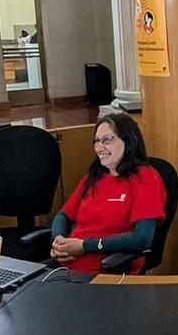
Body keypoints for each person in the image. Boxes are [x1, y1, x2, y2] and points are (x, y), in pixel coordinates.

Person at [50, 112, 167, 274]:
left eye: (107, 140)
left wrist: (85, 246)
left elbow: (142, 239)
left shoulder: (145, 178)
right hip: (65, 268)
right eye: (96, 141)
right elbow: (63, 215)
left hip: (107, 271)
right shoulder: (94, 176)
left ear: (129, 140)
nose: (99, 147)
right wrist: (58, 242)